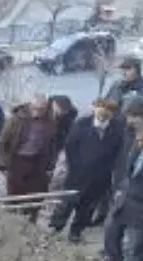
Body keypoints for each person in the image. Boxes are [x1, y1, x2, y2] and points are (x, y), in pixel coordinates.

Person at [52, 98, 126, 243]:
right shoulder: (82, 124)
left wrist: (110, 170)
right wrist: (75, 167)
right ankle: (55, 227)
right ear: (94, 109)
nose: (103, 113)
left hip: (100, 176)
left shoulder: (117, 128)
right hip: (77, 173)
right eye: (100, 109)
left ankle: (76, 231)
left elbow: (118, 153)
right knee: (67, 202)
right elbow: (70, 146)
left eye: (108, 111)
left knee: (88, 206)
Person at [0, 95, 60, 200]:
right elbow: (2, 142)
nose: (37, 112)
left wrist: (50, 164)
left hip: (38, 161)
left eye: (41, 109)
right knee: (15, 194)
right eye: (35, 108)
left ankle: (31, 214)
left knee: (37, 194)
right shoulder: (17, 119)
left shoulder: (50, 120)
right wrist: (5, 162)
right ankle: (13, 215)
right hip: (18, 159)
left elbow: (52, 143)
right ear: (30, 106)